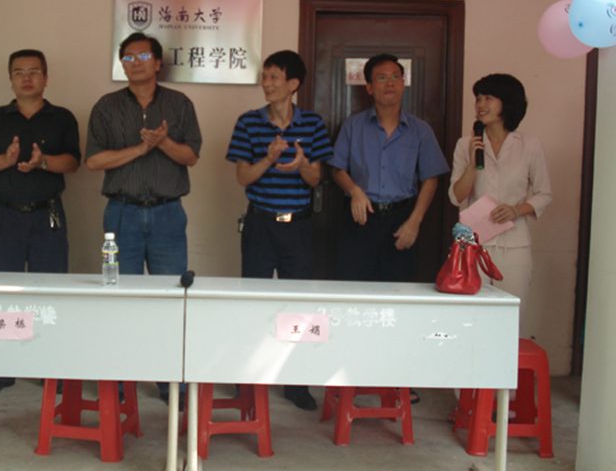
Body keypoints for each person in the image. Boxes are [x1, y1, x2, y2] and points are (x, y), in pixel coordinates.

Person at [85, 32, 201, 404]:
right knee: (121, 300)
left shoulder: (179, 104)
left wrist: (162, 142)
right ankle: (121, 384)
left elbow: (191, 156)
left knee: (172, 300)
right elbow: (93, 161)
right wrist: (140, 148)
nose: (136, 63)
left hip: (168, 215)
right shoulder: (107, 106)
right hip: (122, 215)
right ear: (122, 65)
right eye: (128, 58)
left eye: (143, 56)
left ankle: (172, 384)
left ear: (157, 62)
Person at [226, 49, 333, 411]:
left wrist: (302, 164)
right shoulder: (248, 122)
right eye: (265, 76)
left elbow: (316, 177)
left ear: (293, 84)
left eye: (274, 77)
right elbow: (243, 176)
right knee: (252, 303)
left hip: (298, 226)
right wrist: (269, 159)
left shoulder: (312, 124)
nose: (267, 83)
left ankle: (296, 382)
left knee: (297, 305)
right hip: (259, 223)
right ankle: (246, 381)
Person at [0, 49, 81, 396]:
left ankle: (50, 366)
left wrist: (43, 162)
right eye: (19, 72)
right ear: (10, 79)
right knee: (2, 289)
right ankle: (2, 368)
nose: (27, 78)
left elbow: (73, 163)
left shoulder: (62, 118)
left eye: (34, 71)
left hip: (47, 214)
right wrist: (5, 161)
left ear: (45, 77)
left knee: (49, 290)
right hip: (5, 214)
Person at [330, 53, 449, 282]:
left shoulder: (420, 130)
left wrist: (415, 222)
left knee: (398, 290)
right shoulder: (353, 126)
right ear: (369, 87)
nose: (390, 83)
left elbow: (431, 178)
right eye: (382, 78)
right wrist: (354, 190)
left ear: (403, 84)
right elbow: (337, 169)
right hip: (361, 218)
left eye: (396, 77)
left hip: (402, 219)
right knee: (354, 288)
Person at [448, 73, 551, 332]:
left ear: (507, 102)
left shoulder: (529, 145)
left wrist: (516, 210)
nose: (481, 104)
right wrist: (472, 164)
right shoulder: (465, 144)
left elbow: (544, 193)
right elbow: (455, 196)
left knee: (510, 320)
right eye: (478, 98)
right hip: (474, 244)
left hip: (515, 246)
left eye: (489, 98)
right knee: (473, 320)